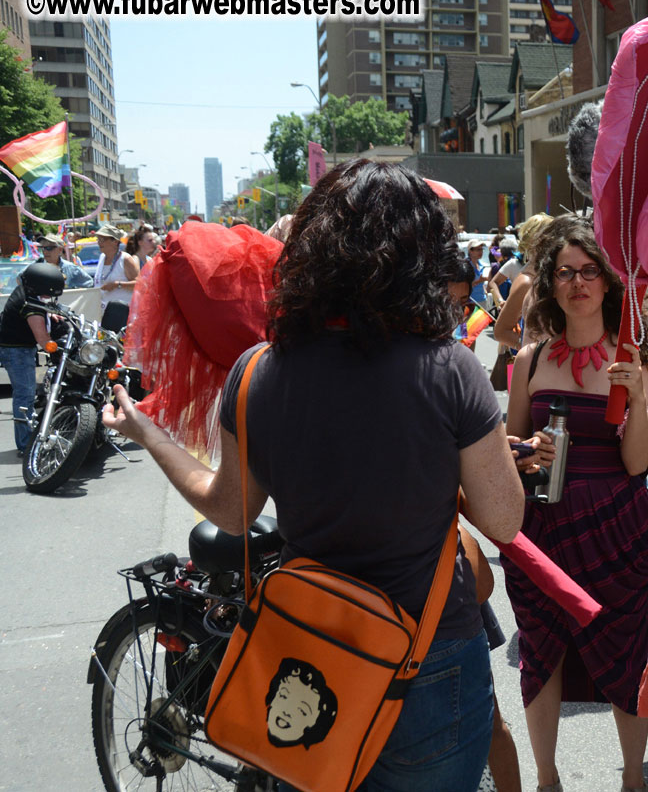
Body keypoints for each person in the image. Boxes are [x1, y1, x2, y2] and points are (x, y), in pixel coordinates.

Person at [100, 160, 524, 792]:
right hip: (428, 654)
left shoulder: (256, 372)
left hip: (311, 653)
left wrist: (149, 434)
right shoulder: (451, 369)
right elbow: (504, 520)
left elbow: (232, 510)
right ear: (421, 257)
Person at [502, 215, 648, 792]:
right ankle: (546, 780)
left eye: (589, 271)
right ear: (550, 285)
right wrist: (528, 451)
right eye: (564, 272)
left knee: (625, 652)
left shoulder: (636, 360)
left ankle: (633, 780)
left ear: (608, 281)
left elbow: (637, 463)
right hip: (543, 527)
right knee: (540, 651)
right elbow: (509, 449)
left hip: (613, 529)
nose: (577, 282)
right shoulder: (530, 359)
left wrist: (640, 394)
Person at [0, 263, 63, 452]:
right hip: (17, 351)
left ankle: (28, 439)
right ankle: (26, 444)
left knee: (25, 393)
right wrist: (60, 351)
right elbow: (43, 340)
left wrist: (49, 314)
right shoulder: (30, 305)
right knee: (25, 394)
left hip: (15, 348)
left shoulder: (26, 291)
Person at [492, 214, 554, 351]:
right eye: (550, 239)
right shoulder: (526, 281)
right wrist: (534, 351)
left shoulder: (546, 274)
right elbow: (501, 332)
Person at [93, 224, 140, 317]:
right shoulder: (102, 257)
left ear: (115, 241)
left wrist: (117, 284)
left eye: (102, 239)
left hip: (123, 314)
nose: (99, 243)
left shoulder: (125, 259)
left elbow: (139, 284)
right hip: (103, 313)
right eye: (98, 239)